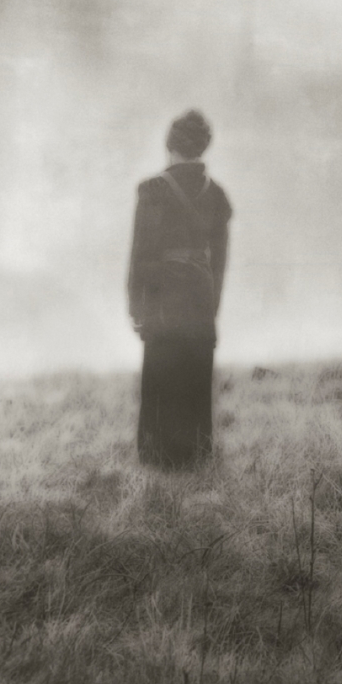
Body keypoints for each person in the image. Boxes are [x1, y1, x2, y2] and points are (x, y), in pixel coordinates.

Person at [128, 110, 232, 470]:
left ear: (170, 145)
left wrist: (137, 307)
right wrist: (212, 307)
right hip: (201, 299)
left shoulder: (153, 189)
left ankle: (158, 460)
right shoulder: (217, 194)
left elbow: (140, 254)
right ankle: (196, 458)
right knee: (195, 376)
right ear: (203, 147)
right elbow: (220, 263)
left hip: (163, 298)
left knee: (161, 373)